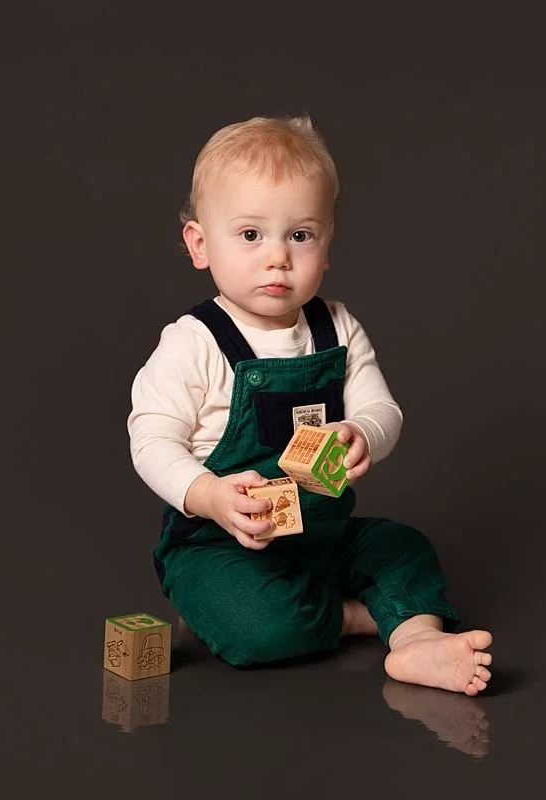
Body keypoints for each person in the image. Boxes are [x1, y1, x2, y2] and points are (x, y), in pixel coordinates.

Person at [126, 114, 493, 695]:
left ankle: (416, 641)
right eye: (251, 235)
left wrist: (364, 433)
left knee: (402, 547)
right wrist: (211, 496)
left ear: (327, 243)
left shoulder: (338, 328)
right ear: (200, 244)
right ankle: (363, 616)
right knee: (253, 624)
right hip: (220, 545)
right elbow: (150, 442)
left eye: (300, 235)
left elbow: (382, 408)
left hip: (319, 537)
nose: (277, 258)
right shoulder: (194, 343)